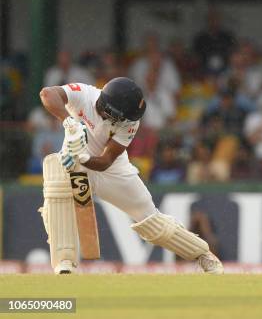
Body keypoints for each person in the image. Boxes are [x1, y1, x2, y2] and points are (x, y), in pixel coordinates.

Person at [38, 77, 223, 274]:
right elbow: (47, 93)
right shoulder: (84, 94)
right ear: (109, 109)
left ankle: (203, 255)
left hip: (112, 170)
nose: (127, 120)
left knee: (151, 220)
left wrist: (83, 158)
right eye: (123, 116)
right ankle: (64, 263)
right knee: (56, 174)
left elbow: (106, 160)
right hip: (72, 165)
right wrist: (69, 123)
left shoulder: (130, 121)